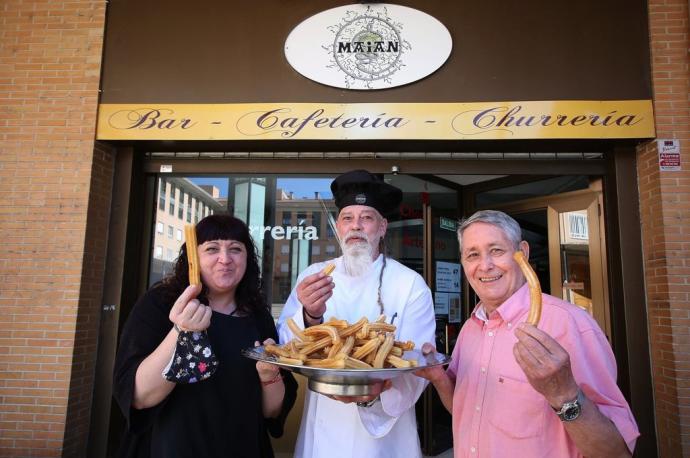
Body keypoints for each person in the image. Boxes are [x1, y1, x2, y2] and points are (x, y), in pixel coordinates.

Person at [416, 210, 640, 457]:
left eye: (497, 250)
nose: (485, 265)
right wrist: (438, 378)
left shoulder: (570, 323)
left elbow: (615, 452)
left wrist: (564, 393)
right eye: (473, 254)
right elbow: (464, 409)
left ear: (522, 252)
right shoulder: (471, 327)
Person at [277, 169, 436, 458]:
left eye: (367, 217)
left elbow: (418, 363)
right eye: (348, 218)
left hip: (387, 431)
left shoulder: (410, 283)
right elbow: (286, 344)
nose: (356, 226)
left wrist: (372, 397)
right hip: (324, 420)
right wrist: (311, 315)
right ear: (338, 227)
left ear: (383, 227)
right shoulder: (313, 275)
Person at [113, 214, 297, 458]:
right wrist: (181, 332)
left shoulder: (258, 315)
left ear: (247, 258)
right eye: (212, 249)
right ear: (193, 257)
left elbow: (272, 413)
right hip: (171, 447)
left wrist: (269, 376)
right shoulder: (160, 304)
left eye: (235, 249)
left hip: (242, 446)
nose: (225, 259)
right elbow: (140, 397)